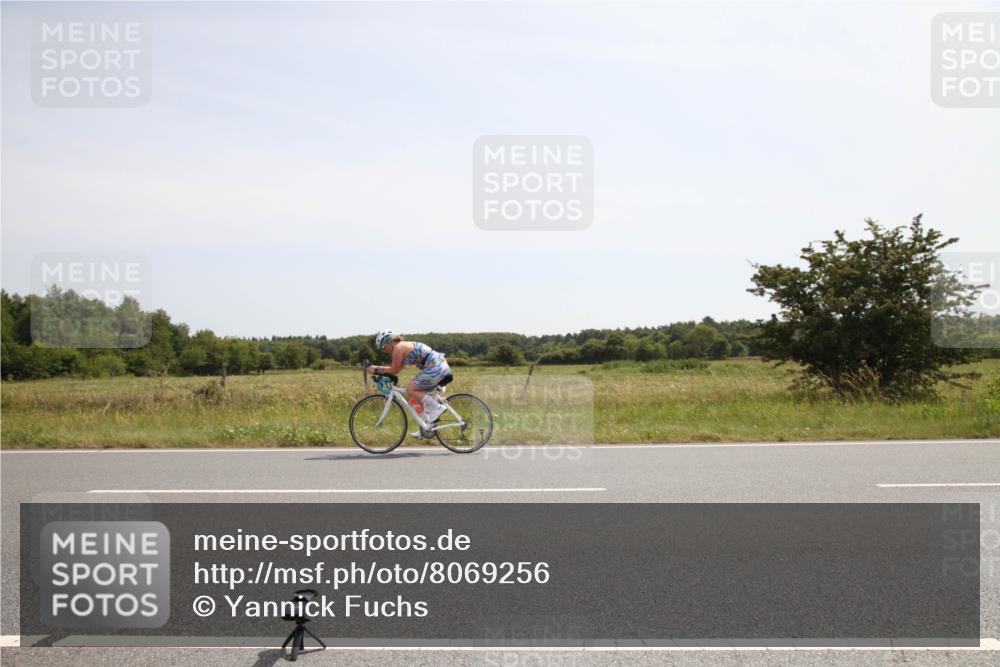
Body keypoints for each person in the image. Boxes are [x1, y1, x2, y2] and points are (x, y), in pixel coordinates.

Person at [367, 330, 450, 423]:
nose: (384, 351)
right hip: (438, 365)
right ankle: (427, 425)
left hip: (436, 367)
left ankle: (437, 408)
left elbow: (394, 370)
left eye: (383, 347)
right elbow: (397, 369)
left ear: (389, 341)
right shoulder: (402, 347)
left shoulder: (398, 348)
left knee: (410, 389)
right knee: (414, 400)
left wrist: (376, 369)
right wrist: (378, 369)